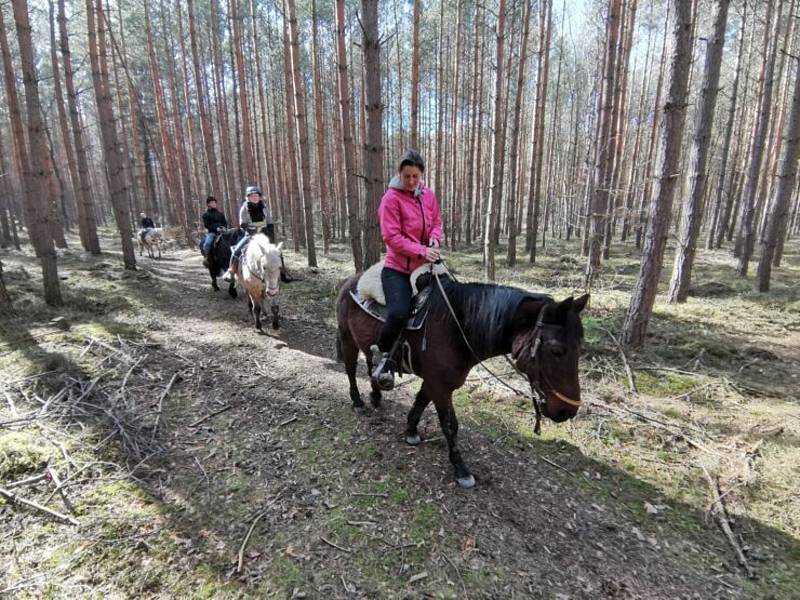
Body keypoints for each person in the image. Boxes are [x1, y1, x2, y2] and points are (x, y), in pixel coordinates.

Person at [370, 149, 442, 391]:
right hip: (397, 269)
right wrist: (422, 250)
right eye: (407, 176)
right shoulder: (390, 199)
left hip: (425, 267)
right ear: (399, 173)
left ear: (422, 175)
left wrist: (434, 240)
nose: (411, 181)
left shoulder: (428, 195)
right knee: (399, 312)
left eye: (416, 177)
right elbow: (391, 237)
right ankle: (381, 356)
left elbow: (436, 223)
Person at [222, 185, 273, 282]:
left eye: (256, 195)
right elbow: (242, 224)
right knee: (236, 251)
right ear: (248, 197)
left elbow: (270, 223)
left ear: (259, 197)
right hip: (250, 235)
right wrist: (252, 231)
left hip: (264, 235)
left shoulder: (265, 208)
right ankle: (231, 271)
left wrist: (271, 237)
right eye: (252, 196)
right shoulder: (244, 208)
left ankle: (282, 272)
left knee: (276, 252)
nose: (254, 197)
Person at [200, 196, 227, 261]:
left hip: (223, 231)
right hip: (212, 233)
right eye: (212, 203)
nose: (214, 204)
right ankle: (207, 258)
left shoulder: (220, 214)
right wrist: (216, 229)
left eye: (215, 202)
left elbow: (225, 222)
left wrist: (224, 228)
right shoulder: (206, 215)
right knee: (207, 243)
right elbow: (207, 225)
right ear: (208, 204)